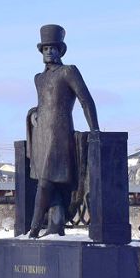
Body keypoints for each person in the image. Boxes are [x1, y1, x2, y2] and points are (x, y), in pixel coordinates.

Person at [26, 24, 98, 238]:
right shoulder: (38, 78)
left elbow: (86, 100)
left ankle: (34, 228)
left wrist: (95, 129)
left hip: (59, 135)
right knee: (52, 186)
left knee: (45, 181)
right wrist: (32, 114)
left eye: (53, 48)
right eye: (45, 48)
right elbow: (41, 105)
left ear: (60, 50)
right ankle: (55, 226)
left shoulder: (69, 71)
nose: (48, 51)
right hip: (41, 137)